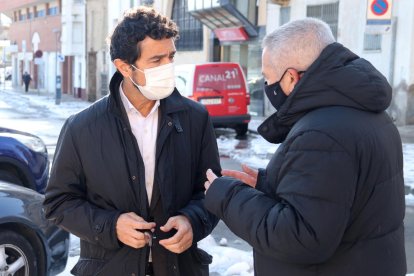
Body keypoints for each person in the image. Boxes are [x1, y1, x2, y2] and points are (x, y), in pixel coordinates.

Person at [204, 18, 406, 276]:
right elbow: (338, 195)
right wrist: (271, 184)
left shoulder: (321, 133)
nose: (267, 88)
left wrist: (228, 195)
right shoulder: (364, 112)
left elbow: (300, 238)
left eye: (268, 78)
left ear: (290, 78)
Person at [43, 7, 220, 276]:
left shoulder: (195, 118)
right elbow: (58, 204)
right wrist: (111, 226)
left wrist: (191, 221)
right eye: (156, 60)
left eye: (171, 57)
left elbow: (212, 192)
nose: (167, 67)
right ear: (125, 67)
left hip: (180, 267)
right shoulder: (82, 128)